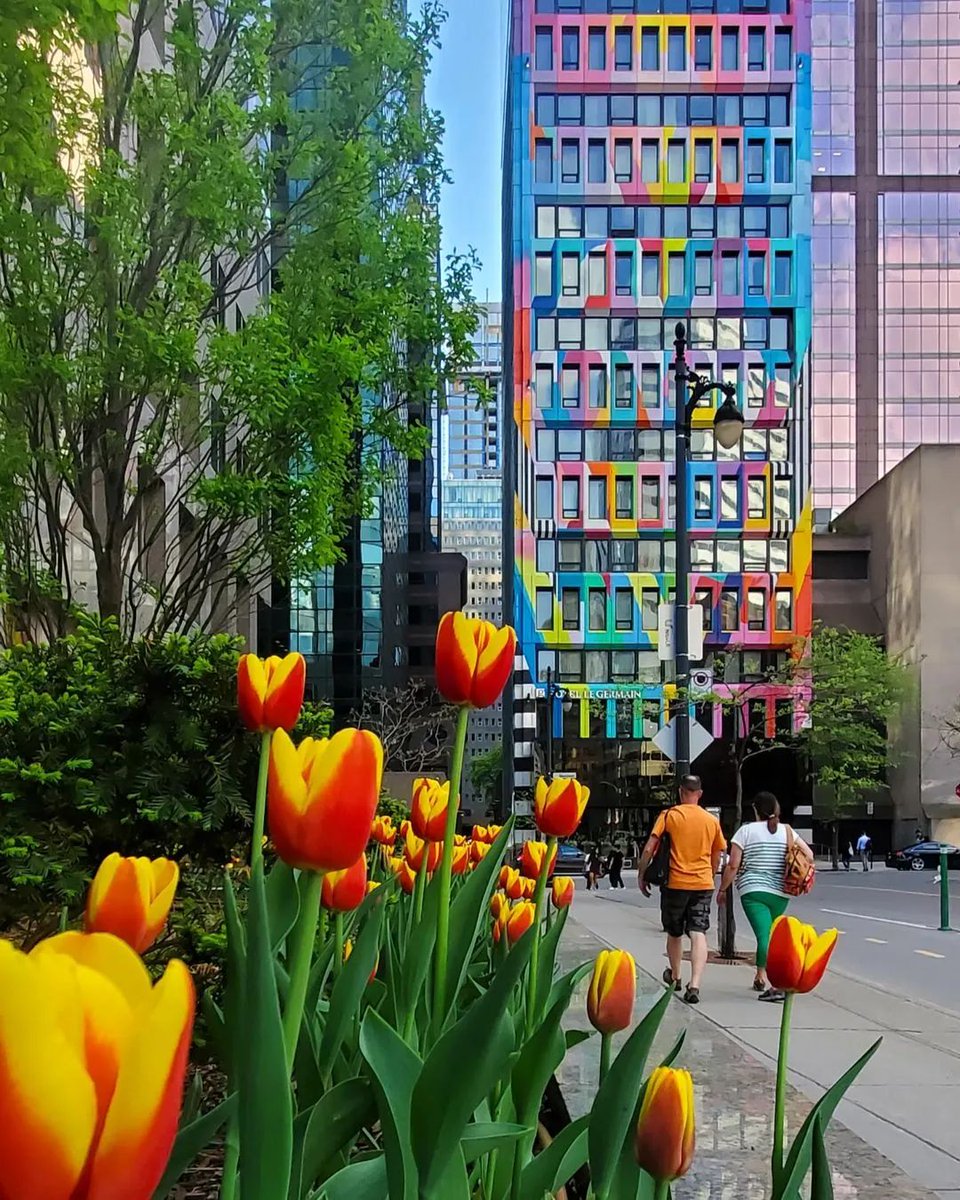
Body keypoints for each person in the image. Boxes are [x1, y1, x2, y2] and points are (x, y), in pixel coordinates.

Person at [637, 774, 726, 1006]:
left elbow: (650, 847)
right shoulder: (710, 820)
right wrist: (711, 873)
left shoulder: (669, 816)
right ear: (699, 794)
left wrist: (642, 874)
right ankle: (695, 984)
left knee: (674, 932)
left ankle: (676, 977)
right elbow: (718, 853)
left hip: (675, 884)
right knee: (698, 932)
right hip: (703, 883)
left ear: (680, 792)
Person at [717, 792, 812, 1002]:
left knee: (763, 936)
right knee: (768, 934)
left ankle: (773, 983)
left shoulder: (745, 831)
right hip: (781, 893)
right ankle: (760, 975)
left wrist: (723, 889)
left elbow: (733, 865)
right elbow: (809, 855)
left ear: (755, 810)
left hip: (754, 891)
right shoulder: (787, 831)